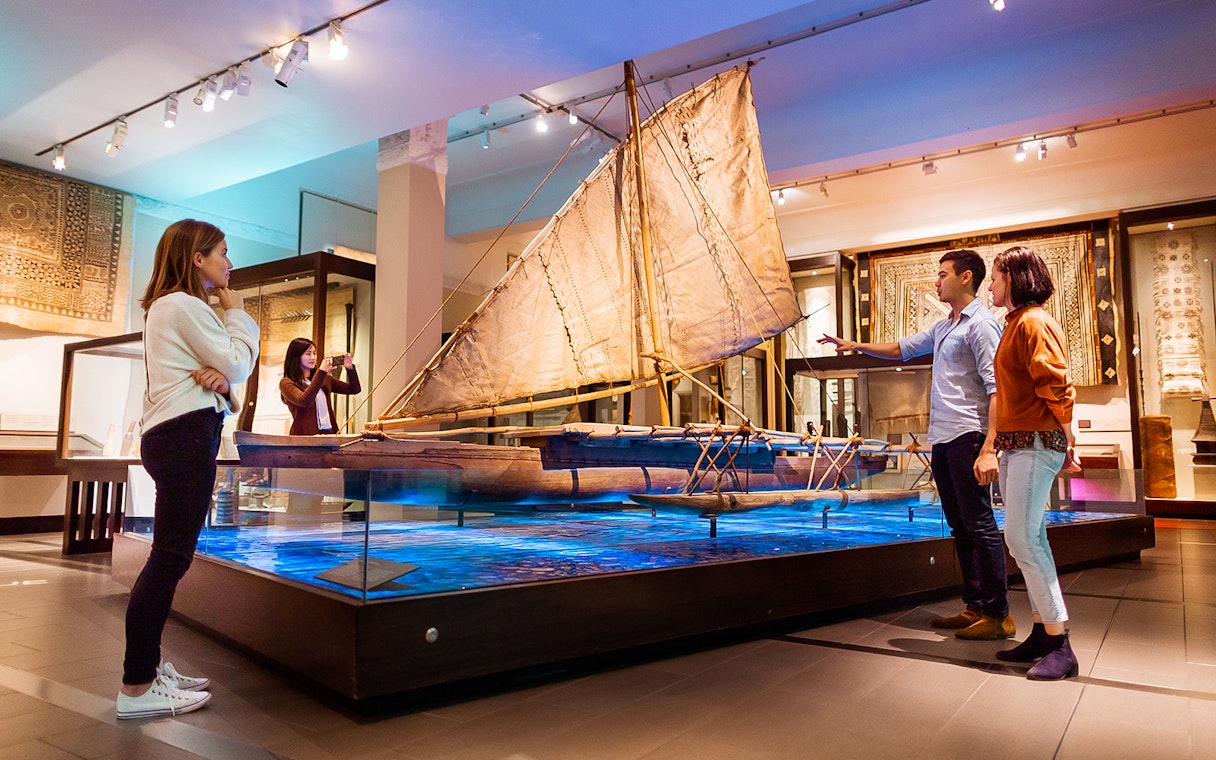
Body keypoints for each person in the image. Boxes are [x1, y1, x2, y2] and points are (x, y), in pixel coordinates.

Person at [819, 249, 1013, 640]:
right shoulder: (944, 328)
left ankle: (998, 614)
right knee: (959, 524)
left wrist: (990, 447)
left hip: (968, 435)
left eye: (943, 275)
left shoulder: (982, 325)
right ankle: (975, 606)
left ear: (966, 278)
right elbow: (902, 348)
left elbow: (998, 389)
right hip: (942, 438)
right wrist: (855, 344)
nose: (937, 281)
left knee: (980, 523)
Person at [118, 219, 259, 719]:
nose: (229, 261)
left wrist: (220, 383)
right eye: (223, 251)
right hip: (185, 438)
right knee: (169, 559)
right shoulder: (183, 305)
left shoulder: (170, 308)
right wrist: (238, 314)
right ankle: (136, 685)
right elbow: (238, 363)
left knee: (168, 557)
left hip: (177, 435)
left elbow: (224, 375)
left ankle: (149, 668)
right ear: (197, 257)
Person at [974, 245, 1082, 681]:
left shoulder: (1032, 322)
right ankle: (1043, 633)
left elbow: (1056, 383)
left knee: (1020, 535)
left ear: (1015, 279)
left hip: (1037, 440)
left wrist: (1067, 436)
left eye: (996, 277)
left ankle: (1059, 640)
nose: (991, 285)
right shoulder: (1018, 323)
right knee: (1029, 535)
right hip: (1026, 441)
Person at [279, 338, 361, 435]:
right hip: (303, 439)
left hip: (330, 434)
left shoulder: (324, 378)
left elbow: (354, 389)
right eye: (308, 354)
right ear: (296, 357)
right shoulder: (286, 383)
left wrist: (349, 367)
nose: (313, 357)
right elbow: (304, 400)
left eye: (314, 353)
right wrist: (322, 371)